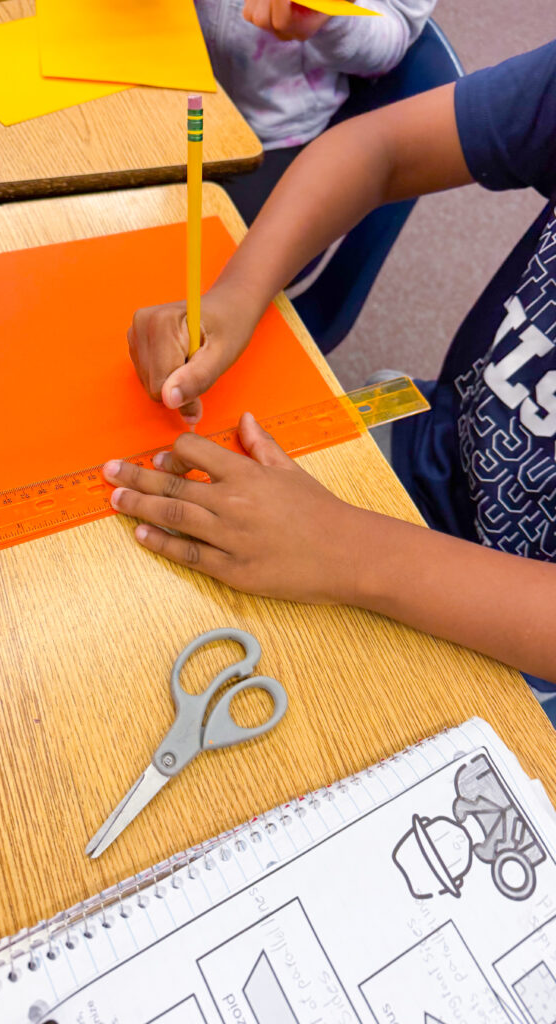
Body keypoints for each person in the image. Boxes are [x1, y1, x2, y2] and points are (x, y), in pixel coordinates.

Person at [104, 40, 556, 687]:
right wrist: (235, 294)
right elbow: (377, 149)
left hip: (518, 648)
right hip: (433, 446)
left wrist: (346, 548)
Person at [195, 0, 435, 227]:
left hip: (274, 131)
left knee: (204, 251)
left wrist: (331, 16)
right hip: (179, 80)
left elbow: (394, 28)